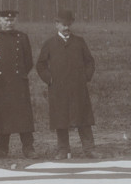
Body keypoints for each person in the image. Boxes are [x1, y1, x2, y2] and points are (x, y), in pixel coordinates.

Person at [35, 9, 96, 159]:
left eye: (68, 24)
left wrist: (85, 77)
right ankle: (63, 150)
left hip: (78, 88)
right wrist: (50, 80)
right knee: (60, 119)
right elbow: (40, 65)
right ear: (56, 25)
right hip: (58, 88)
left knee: (83, 118)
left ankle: (89, 149)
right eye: (63, 24)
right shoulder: (49, 43)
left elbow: (90, 61)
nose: (66, 27)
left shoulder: (79, 41)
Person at [0, 8, 37, 158]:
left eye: (11, 20)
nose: (9, 23)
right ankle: (2, 149)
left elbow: (28, 61)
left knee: (23, 115)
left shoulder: (22, 37)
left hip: (17, 82)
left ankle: (28, 148)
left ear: (15, 21)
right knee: (1, 116)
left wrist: (19, 74)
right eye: (5, 20)